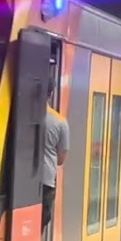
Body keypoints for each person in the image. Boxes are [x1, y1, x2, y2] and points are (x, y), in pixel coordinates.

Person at [42, 95, 70, 229]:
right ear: (51, 95)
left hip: (17, 179)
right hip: (46, 180)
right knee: (42, 219)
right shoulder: (60, 121)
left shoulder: (19, 116)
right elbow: (61, 159)